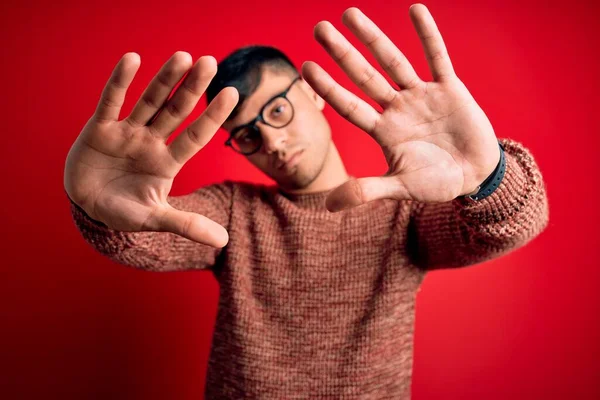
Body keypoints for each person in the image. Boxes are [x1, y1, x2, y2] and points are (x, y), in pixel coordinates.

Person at [63, 4, 549, 399]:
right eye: (247, 135)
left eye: (278, 110)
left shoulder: (404, 215)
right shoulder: (235, 211)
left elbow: (509, 223)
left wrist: (486, 176)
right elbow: (147, 235)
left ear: (315, 97)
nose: (271, 142)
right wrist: (102, 209)